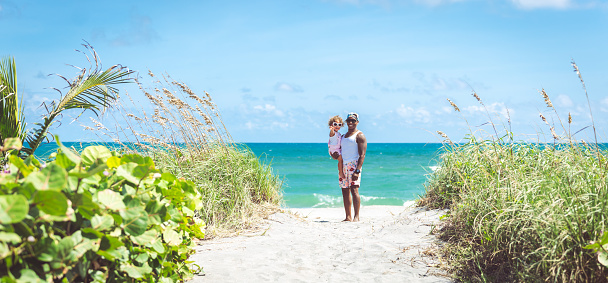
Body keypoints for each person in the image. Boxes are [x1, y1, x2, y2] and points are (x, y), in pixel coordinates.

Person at [339, 112, 366, 222]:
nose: (350, 122)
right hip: (344, 165)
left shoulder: (360, 135)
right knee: (345, 191)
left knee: (354, 190)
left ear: (357, 122)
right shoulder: (343, 136)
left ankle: (356, 216)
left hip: (354, 165)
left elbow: (362, 154)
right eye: (349, 120)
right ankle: (348, 216)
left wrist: (358, 170)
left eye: (353, 121)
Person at [328, 116, 346, 181]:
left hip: (337, 149)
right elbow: (331, 134)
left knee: (342, 160)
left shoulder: (338, 133)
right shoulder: (333, 133)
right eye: (335, 124)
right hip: (334, 150)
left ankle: (342, 170)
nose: (337, 126)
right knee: (340, 160)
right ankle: (341, 173)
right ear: (331, 125)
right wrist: (332, 130)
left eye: (339, 125)